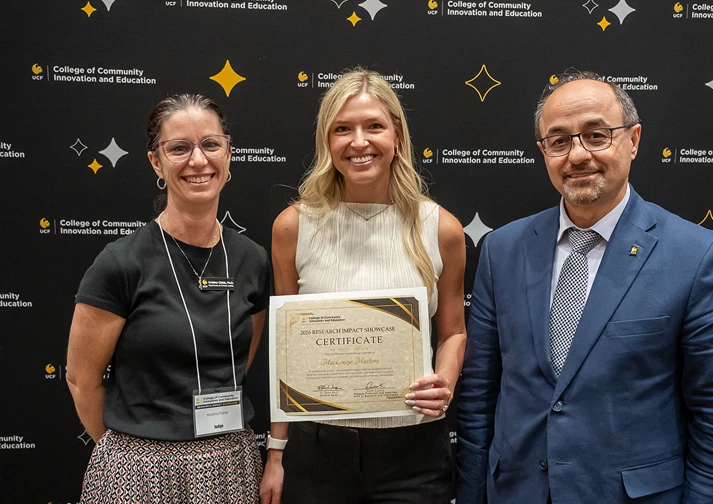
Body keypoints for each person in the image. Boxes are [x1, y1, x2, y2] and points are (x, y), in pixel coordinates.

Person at [456, 71, 713, 503]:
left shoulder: (697, 256)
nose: (578, 155)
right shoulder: (502, 250)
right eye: (559, 141)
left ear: (633, 140)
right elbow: (479, 399)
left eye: (596, 135)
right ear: (543, 151)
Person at [260, 68, 467, 504]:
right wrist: (276, 452)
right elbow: (284, 353)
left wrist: (444, 383)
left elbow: (453, 332)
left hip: (414, 452)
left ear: (397, 135)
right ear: (326, 140)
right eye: (342, 129)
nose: (359, 142)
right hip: (317, 451)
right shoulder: (293, 227)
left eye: (374, 126)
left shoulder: (441, 228)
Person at [66, 94, 269, 503]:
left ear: (229, 154)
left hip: (230, 463)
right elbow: (81, 379)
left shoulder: (252, 260)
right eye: (179, 148)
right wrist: (132, 455)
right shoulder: (121, 263)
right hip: (139, 468)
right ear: (156, 163)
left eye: (210, 144)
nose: (198, 160)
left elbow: (239, 363)